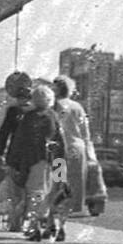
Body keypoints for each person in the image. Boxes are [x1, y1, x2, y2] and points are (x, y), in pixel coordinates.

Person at [7, 82, 60, 239]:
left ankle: (34, 226)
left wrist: (12, 162)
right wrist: (61, 169)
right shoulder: (53, 117)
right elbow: (60, 141)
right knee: (51, 193)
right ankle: (50, 224)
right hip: (52, 161)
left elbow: (19, 141)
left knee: (34, 194)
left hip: (33, 161)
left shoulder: (29, 118)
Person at [0, 72, 33, 231]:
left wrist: (0, 152)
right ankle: (26, 217)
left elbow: (4, 133)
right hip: (33, 157)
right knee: (29, 188)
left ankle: (15, 221)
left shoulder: (13, 111)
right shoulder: (37, 112)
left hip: (15, 155)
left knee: (14, 188)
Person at [51, 76, 88, 217]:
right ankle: (77, 207)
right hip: (77, 146)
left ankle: (57, 205)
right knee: (77, 178)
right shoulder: (77, 107)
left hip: (60, 147)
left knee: (59, 177)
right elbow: (85, 130)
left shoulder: (54, 106)